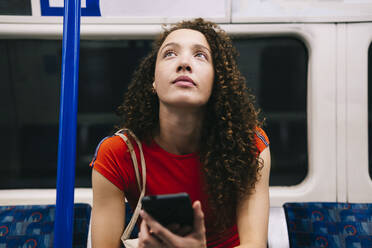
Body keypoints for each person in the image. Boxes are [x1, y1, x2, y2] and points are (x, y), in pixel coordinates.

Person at [90, 18, 271, 248]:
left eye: (200, 55)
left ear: (217, 82)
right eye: (170, 54)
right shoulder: (118, 154)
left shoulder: (248, 145)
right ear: (153, 82)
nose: (184, 63)